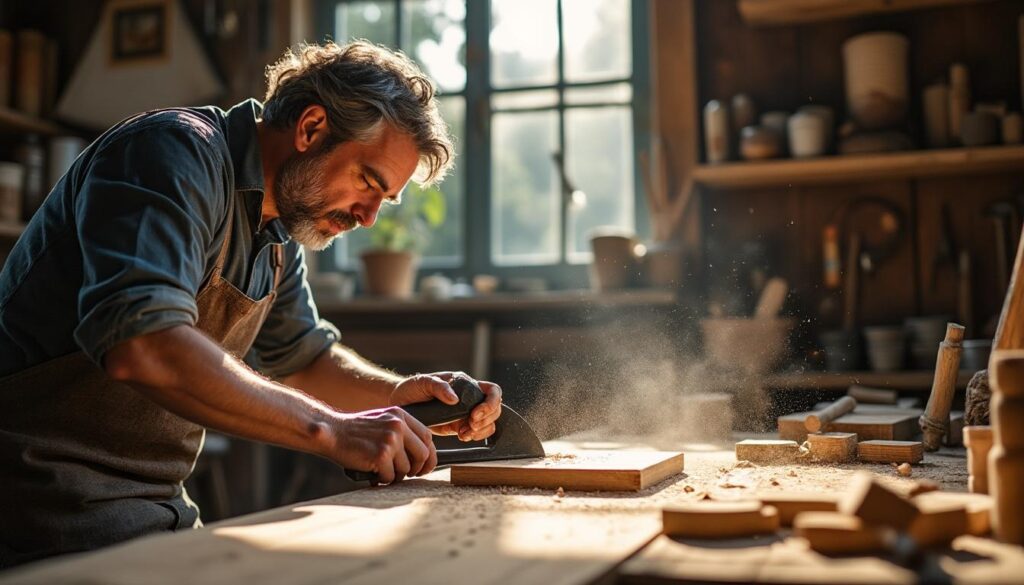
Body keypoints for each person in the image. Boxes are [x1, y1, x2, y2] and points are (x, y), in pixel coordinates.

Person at [0, 40, 501, 568]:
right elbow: (143, 344)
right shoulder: (170, 153)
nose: (369, 217)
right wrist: (333, 430)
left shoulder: (279, 230)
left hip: (154, 508)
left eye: (384, 200)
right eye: (368, 183)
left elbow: (305, 360)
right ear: (311, 129)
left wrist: (400, 396)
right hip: (34, 505)